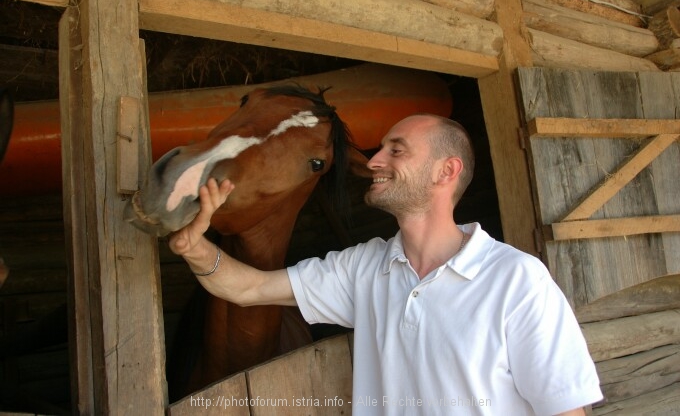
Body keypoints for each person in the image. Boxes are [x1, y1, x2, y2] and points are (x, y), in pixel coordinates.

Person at [169, 114, 603, 415]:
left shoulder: (516, 279)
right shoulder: (365, 268)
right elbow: (248, 289)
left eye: (397, 150)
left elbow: (563, 409)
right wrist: (195, 247)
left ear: (445, 171)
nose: (374, 161)